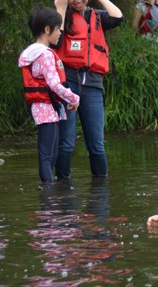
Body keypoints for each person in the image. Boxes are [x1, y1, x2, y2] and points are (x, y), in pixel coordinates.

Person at [52, 0, 123, 179]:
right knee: (66, 143)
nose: (77, 1)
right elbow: (55, 41)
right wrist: (60, 7)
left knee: (97, 146)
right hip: (67, 84)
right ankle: (63, 192)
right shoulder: (59, 16)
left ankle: (99, 194)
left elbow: (119, 18)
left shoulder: (98, 16)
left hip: (92, 84)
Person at [18, 6, 80, 183]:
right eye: (58, 29)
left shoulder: (32, 52)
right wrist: (74, 98)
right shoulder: (44, 55)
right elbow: (54, 84)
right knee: (48, 157)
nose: (60, 33)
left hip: (45, 108)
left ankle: (49, 197)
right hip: (45, 109)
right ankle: (48, 202)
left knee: (51, 155)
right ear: (47, 30)